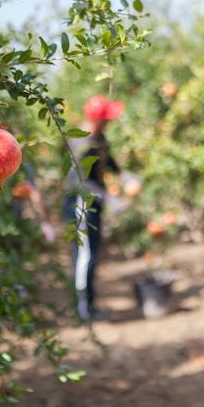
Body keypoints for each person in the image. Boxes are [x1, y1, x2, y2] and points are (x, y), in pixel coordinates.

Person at [64, 94, 131, 321]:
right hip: (81, 205)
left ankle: (89, 305)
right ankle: (83, 308)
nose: (109, 123)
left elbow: (109, 160)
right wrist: (108, 198)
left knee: (93, 253)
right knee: (85, 254)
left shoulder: (99, 137)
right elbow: (77, 181)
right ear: (98, 120)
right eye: (106, 119)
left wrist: (123, 175)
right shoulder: (81, 143)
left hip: (95, 203)